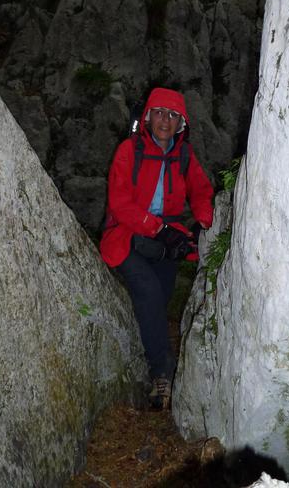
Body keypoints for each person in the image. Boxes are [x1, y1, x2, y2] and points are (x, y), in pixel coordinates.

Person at [100, 87, 213, 409]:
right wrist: (158, 229)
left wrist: (202, 222)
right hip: (128, 235)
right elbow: (120, 204)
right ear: (148, 117)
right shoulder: (129, 150)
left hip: (166, 241)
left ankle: (150, 349)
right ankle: (162, 374)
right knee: (149, 290)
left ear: (181, 124)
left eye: (173, 115)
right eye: (160, 113)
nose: (166, 120)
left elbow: (201, 191)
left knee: (159, 300)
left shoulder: (184, 155)